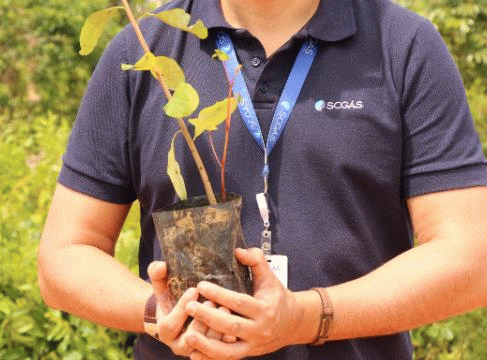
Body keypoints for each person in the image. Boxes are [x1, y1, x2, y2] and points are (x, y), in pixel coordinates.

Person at [37, 0, 487, 358]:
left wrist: (306, 317)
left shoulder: (403, 45)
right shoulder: (144, 50)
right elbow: (63, 257)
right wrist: (161, 311)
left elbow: (469, 261)